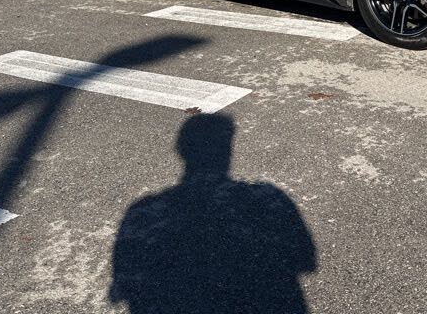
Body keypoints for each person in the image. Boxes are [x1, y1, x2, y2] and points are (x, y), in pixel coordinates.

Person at [111, 113, 317, 313]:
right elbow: (305, 260)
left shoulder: (143, 213)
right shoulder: (268, 199)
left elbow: (125, 285)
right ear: (228, 151)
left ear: (181, 151)